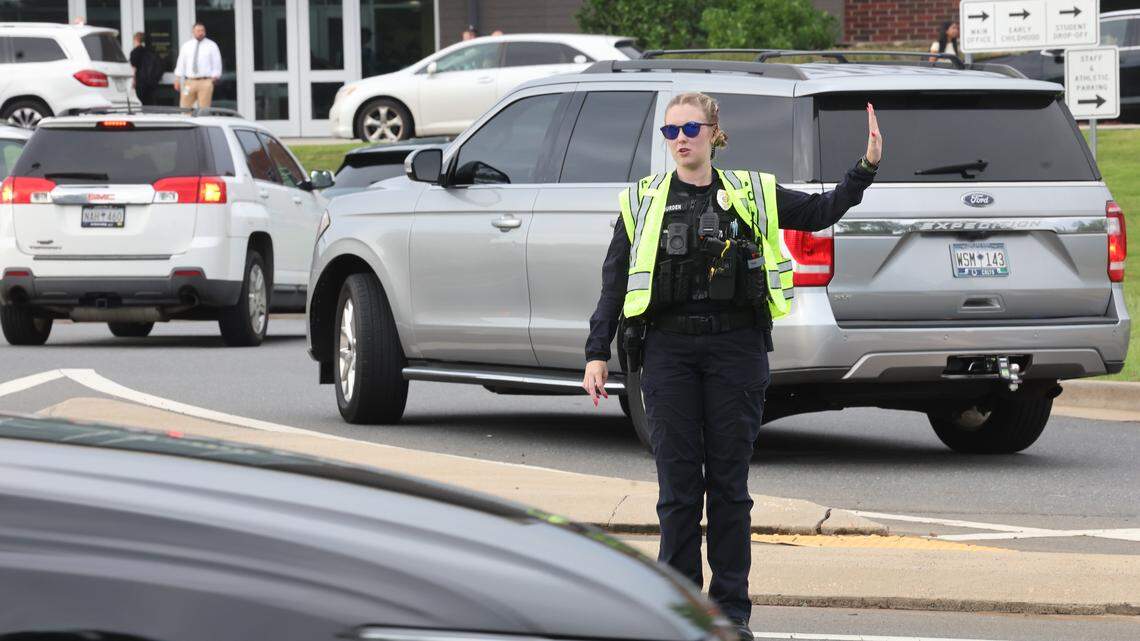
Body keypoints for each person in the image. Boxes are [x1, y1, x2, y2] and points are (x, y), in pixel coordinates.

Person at [581, 92, 883, 640]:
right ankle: (678, 612)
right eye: (670, 132)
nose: (681, 140)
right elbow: (615, 279)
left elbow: (819, 213)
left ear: (714, 132)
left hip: (736, 351)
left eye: (690, 128)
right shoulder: (644, 200)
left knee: (728, 487)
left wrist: (862, 171)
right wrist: (597, 352)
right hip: (667, 353)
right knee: (676, 489)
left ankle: (729, 615)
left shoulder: (751, 192)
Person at [173, 23, 222, 110]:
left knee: (204, 109)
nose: (201, 33)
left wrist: (215, 76)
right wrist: (177, 79)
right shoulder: (186, 46)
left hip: (205, 82)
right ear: (193, 32)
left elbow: (217, 62)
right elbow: (181, 62)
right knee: (184, 106)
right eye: (198, 31)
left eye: (202, 30)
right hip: (189, 81)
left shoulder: (212, 45)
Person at [129, 32, 163, 106]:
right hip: (151, 82)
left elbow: (133, 68)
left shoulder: (135, 52)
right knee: (150, 103)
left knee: (139, 103)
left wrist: (133, 80)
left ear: (136, 39)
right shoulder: (151, 51)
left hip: (140, 82)